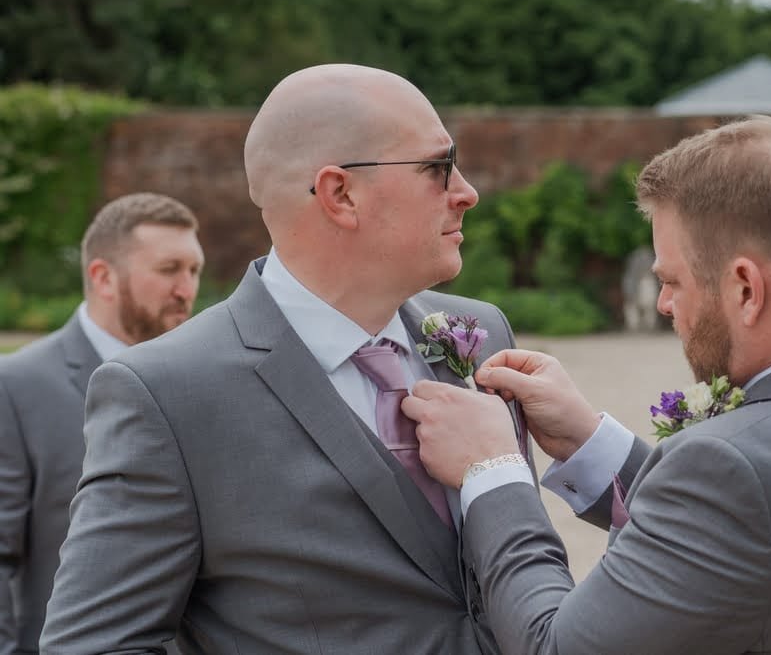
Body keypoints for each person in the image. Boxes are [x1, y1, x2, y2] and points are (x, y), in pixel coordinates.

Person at [404, 116, 771, 654]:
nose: (663, 304)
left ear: (746, 287)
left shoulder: (730, 470)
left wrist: (495, 470)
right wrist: (589, 442)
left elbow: (554, 648)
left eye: (673, 280)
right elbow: (762, 538)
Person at [40, 64, 532, 654]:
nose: (467, 191)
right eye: (438, 166)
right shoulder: (167, 394)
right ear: (340, 194)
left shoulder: (477, 332)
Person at [0, 192, 203, 654]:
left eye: (194, 270)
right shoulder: (14, 386)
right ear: (103, 277)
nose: (186, 289)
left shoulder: (207, 382)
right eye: (169, 269)